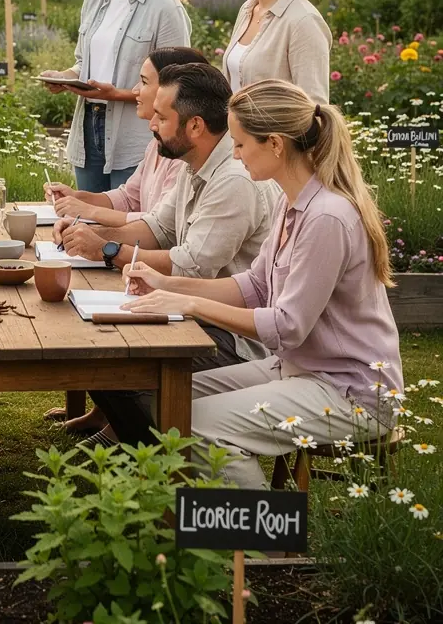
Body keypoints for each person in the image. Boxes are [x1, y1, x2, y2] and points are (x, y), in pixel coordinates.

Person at [120, 80, 403, 488]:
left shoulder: (326, 217)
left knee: (196, 424)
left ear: (274, 143)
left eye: (238, 144)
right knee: (169, 399)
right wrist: (167, 284)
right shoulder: (294, 203)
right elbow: (253, 285)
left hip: (352, 393)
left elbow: (288, 326)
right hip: (301, 370)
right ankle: (201, 522)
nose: (234, 155)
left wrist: (191, 306)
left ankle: (258, 545)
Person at [56, 63, 273, 441]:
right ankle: (130, 442)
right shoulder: (195, 160)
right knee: (90, 343)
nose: (152, 124)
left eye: (161, 116)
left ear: (195, 127)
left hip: (232, 336)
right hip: (192, 312)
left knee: (111, 358)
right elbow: (158, 227)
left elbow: (192, 268)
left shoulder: (233, 180)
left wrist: (108, 249)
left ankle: (148, 458)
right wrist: (88, 233)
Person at [39, 0, 190, 194]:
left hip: (136, 138)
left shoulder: (166, 9)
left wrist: (115, 94)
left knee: (127, 225)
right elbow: (83, 64)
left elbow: (177, 87)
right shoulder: (94, 1)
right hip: (87, 132)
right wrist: (64, 77)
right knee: (88, 223)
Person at [44, 47, 208, 226]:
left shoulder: (184, 154)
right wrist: (76, 197)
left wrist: (89, 211)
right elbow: (129, 198)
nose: (135, 90)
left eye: (144, 82)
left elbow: (160, 224)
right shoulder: (156, 143)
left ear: (171, 89)